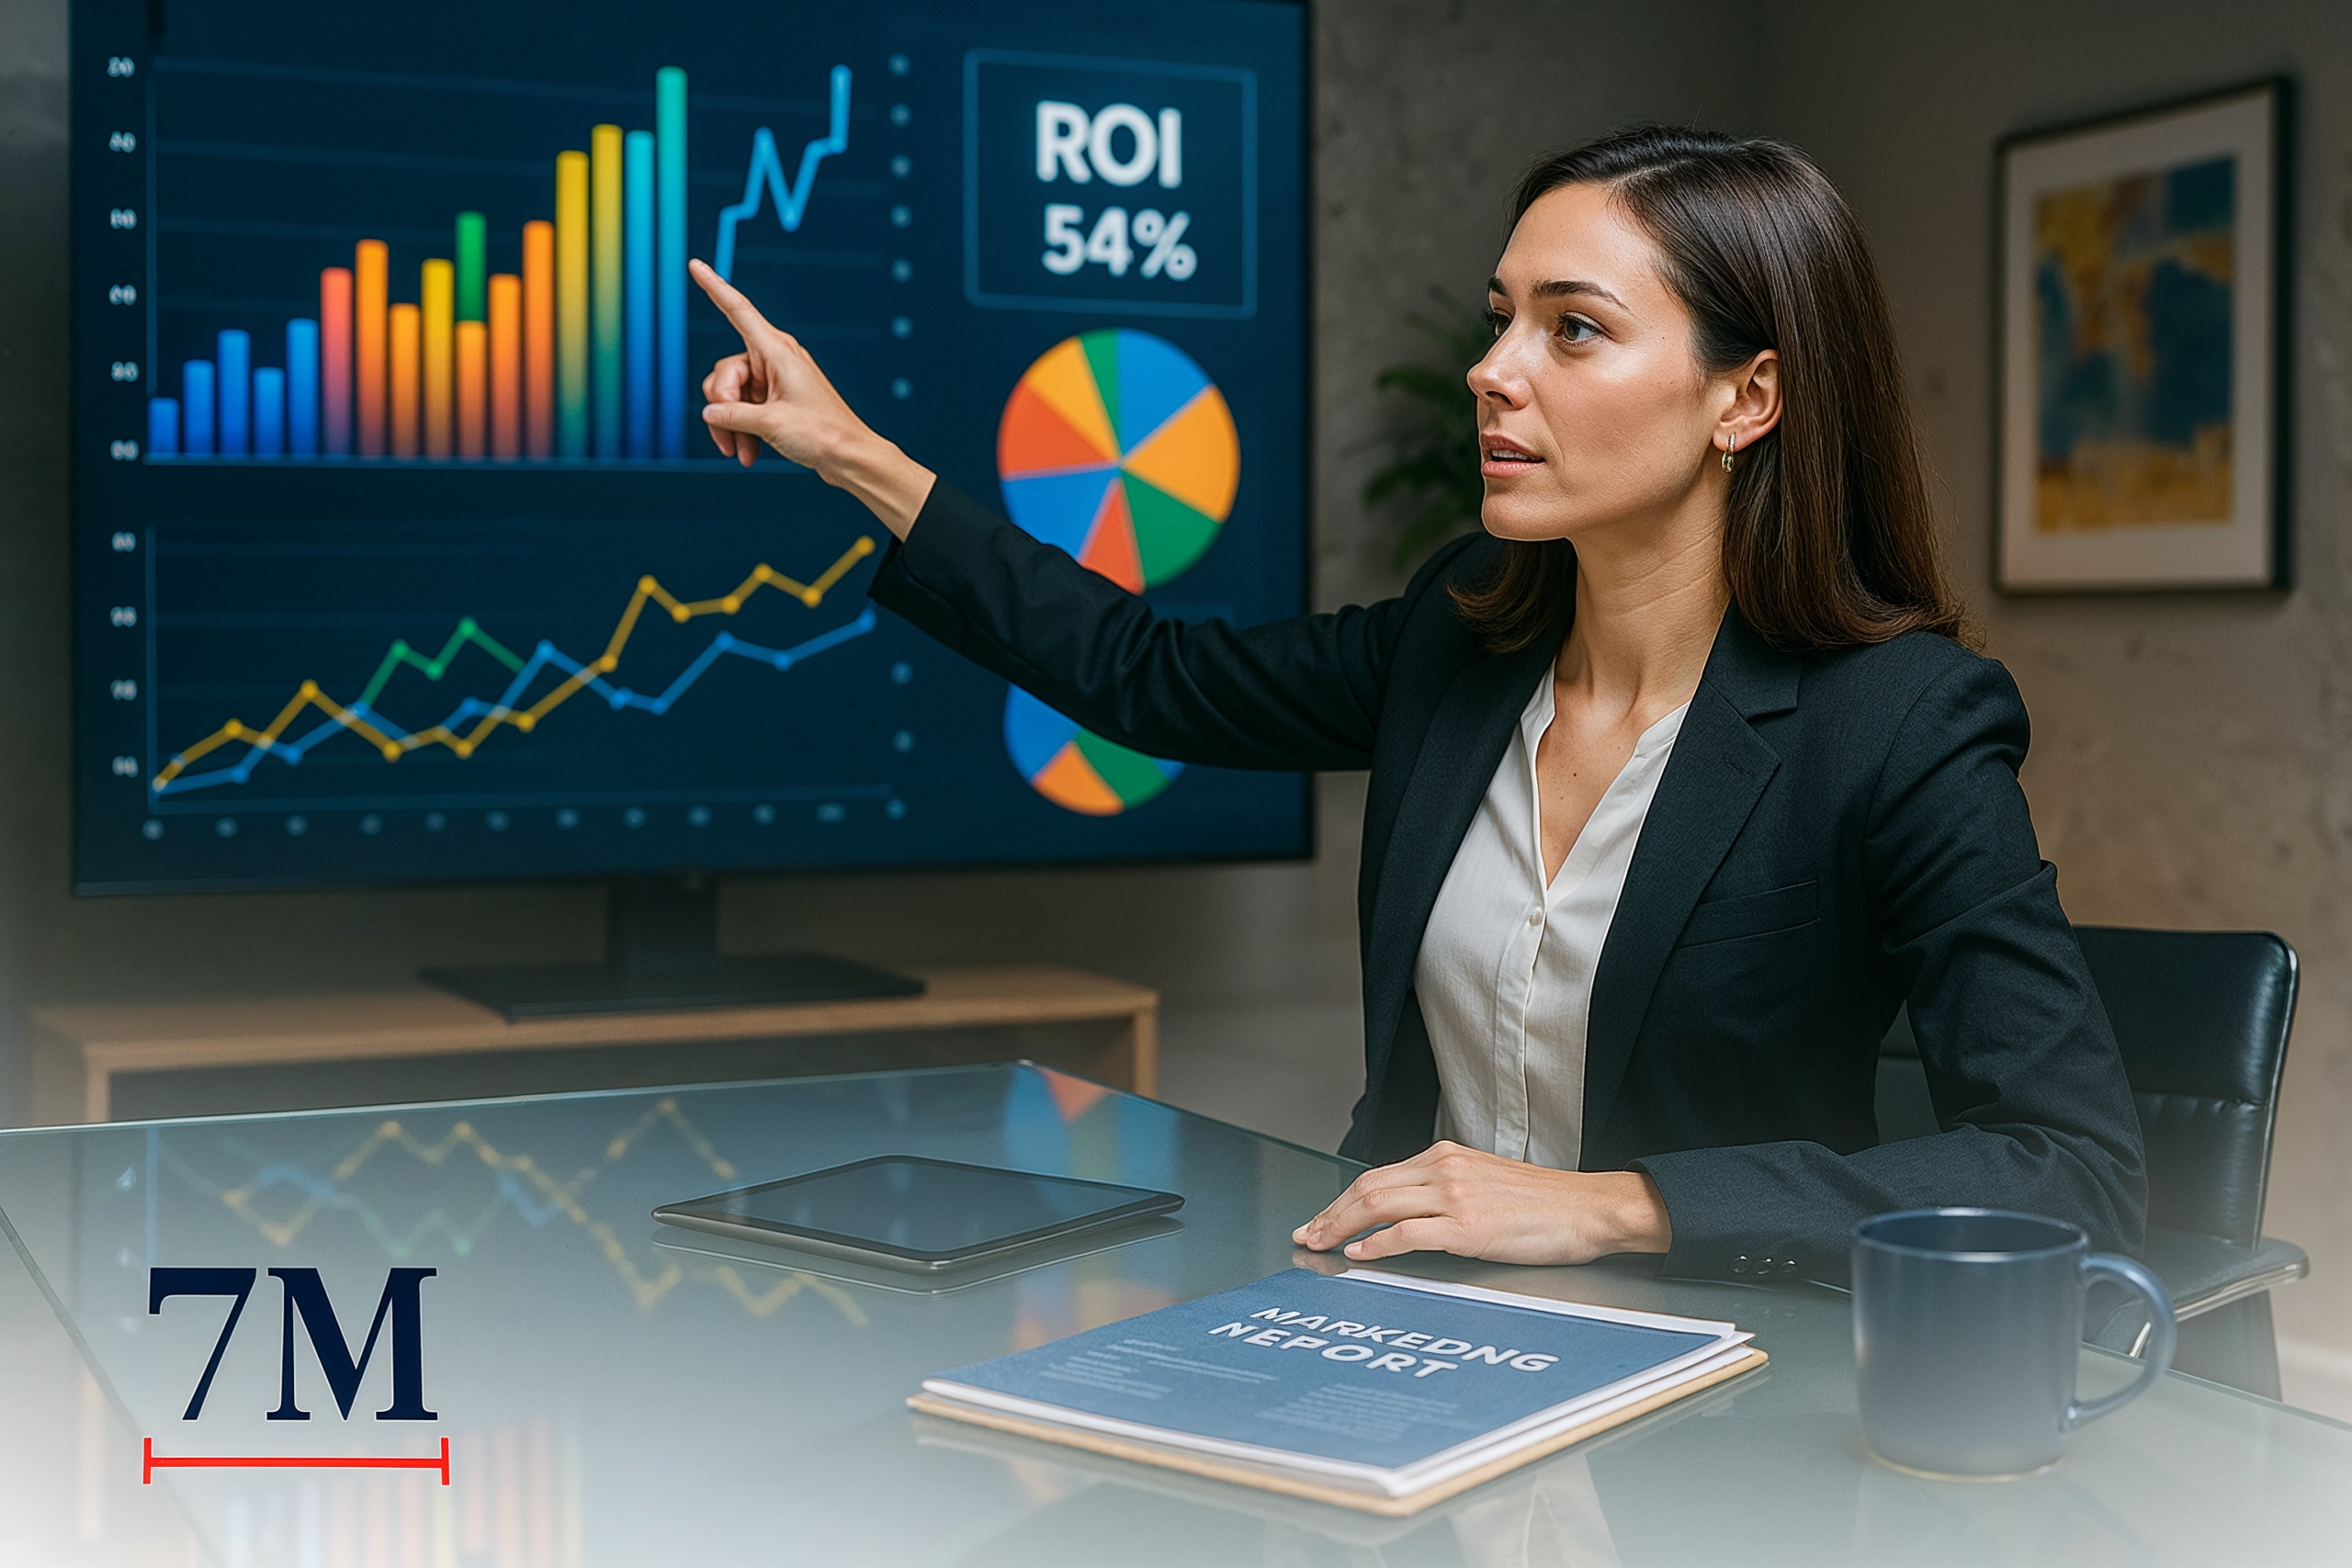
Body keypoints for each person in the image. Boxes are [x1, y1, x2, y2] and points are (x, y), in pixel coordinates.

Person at [684, 125, 2146, 1287]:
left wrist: (1609, 1209)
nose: (1491, 370)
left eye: (1572, 332)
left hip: (1721, 1373)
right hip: (1392, 1318)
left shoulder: (1900, 721)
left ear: (1744, 398)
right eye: (1502, 317)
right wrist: (855, 455)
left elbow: (2070, 1165)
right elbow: (1147, 675)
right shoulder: (1464, 637)